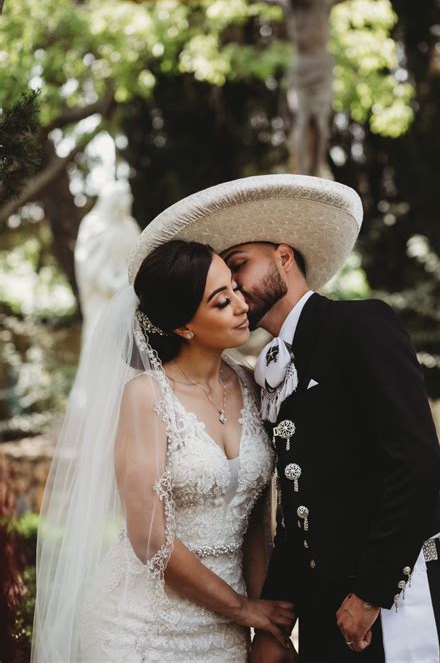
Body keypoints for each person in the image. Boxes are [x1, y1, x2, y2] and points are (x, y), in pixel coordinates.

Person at [127, 174, 440, 662]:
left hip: (390, 598)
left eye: (240, 265)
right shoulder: (265, 373)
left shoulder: (360, 325)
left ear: (284, 256)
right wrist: (275, 624)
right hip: (324, 607)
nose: (234, 287)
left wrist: (371, 593)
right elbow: (298, 506)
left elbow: (418, 464)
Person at [32, 238, 294, 662]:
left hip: (227, 633)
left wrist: (269, 629)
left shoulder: (251, 382)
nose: (242, 305)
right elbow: (150, 539)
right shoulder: (147, 396)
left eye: (235, 289)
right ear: (183, 325)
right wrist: (243, 608)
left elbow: (255, 529)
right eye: (221, 301)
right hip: (139, 631)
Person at [209, 0, 424, 175]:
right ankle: (302, 174)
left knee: (321, 123)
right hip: (301, 69)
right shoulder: (288, 6)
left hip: (321, 68)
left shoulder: (325, 2)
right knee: (301, 120)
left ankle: (316, 171)